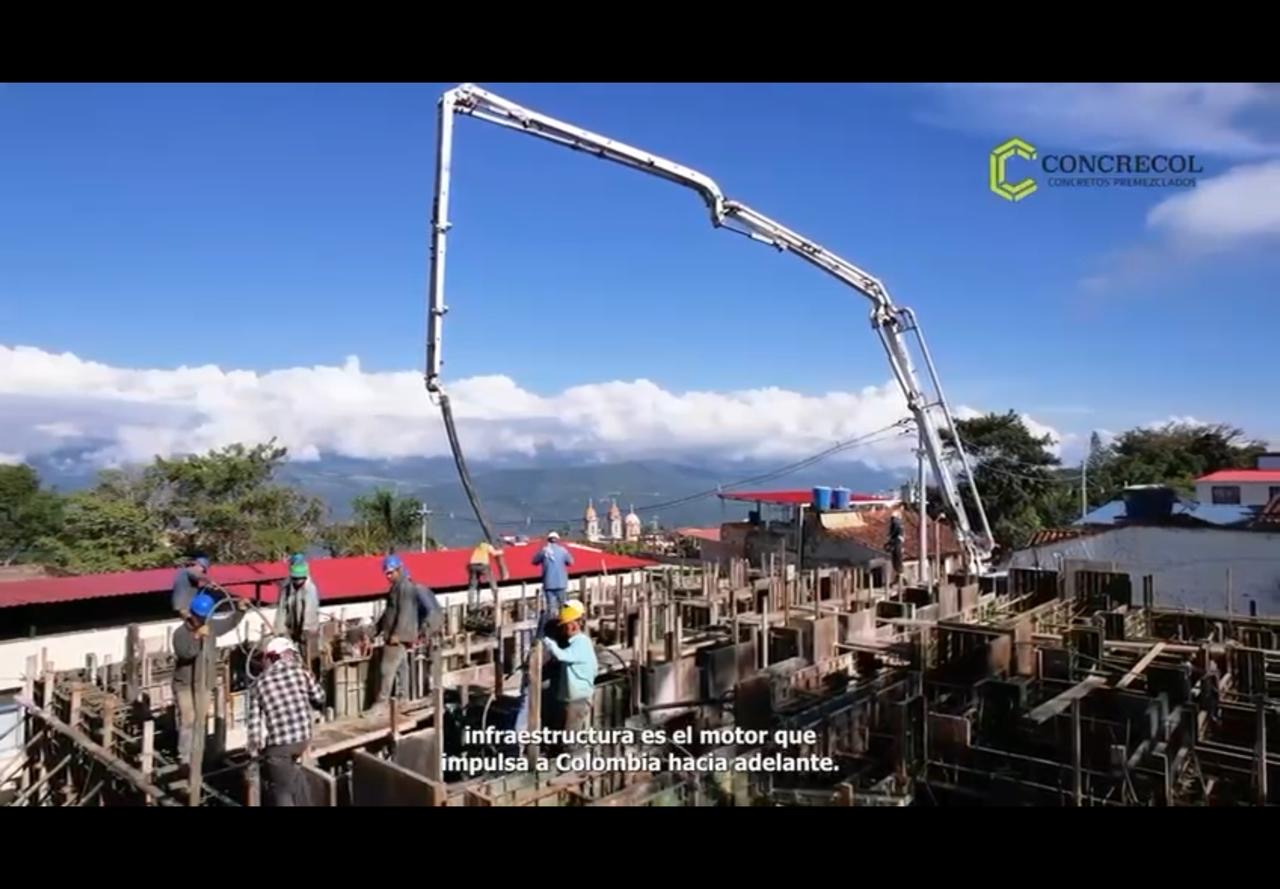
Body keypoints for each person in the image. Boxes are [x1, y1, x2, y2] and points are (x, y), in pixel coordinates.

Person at [171, 590, 248, 766]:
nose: (203, 620)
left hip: (204, 682)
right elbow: (185, 654)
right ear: (192, 615)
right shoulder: (181, 633)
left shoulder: (211, 627)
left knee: (201, 719)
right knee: (187, 719)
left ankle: (199, 755)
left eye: (205, 617)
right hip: (184, 684)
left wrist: (240, 611)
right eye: (200, 617)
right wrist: (197, 637)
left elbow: (229, 623)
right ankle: (184, 757)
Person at [248, 637, 326, 806]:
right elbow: (320, 697)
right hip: (303, 739)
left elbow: (254, 725)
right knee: (294, 778)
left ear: (270, 658)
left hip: (280, 747)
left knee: (281, 789)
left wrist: (255, 751)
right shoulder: (302, 673)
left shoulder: (257, 684)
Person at [372, 554, 444, 706]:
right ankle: (404, 697)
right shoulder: (400, 588)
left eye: (391, 572)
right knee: (402, 666)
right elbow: (390, 613)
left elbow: (411, 612)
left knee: (389, 668)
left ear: (400, 570)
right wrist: (376, 630)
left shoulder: (408, 588)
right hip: (412, 631)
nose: (388, 576)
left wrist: (415, 633)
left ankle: (384, 702)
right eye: (387, 573)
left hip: (422, 631)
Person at [542, 598, 597, 759]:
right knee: (563, 733)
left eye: (566, 625)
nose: (565, 628)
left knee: (570, 738)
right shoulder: (575, 643)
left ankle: (570, 769)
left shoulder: (581, 643)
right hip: (572, 698)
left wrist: (547, 641)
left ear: (575, 624)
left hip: (578, 699)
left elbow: (561, 656)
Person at [275, 555, 320, 646]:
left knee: (307, 650)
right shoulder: (286, 588)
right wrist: (279, 630)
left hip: (307, 630)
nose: (298, 581)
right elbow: (282, 610)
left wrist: (306, 629)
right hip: (291, 627)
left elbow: (309, 611)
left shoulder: (310, 589)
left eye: (300, 578)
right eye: (295, 578)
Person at [532, 532, 574, 620]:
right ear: (558, 540)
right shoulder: (563, 550)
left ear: (548, 540)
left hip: (548, 583)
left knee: (551, 607)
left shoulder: (544, 551)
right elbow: (571, 562)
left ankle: (552, 626)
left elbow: (534, 561)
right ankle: (564, 622)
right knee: (563, 605)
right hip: (561, 583)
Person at [467, 540, 503, 609]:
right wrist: (501, 552)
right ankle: (496, 599)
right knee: (492, 580)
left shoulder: (478, 546)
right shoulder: (487, 546)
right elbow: (494, 553)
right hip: (482, 565)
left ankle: (471, 604)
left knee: (472, 585)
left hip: (472, 565)